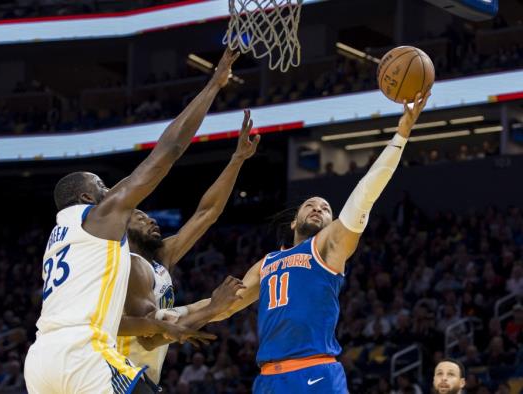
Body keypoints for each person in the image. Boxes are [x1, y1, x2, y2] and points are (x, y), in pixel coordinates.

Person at [24, 49, 240, 394]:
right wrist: (213, 85)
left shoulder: (59, 239)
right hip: (82, 354)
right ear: (85, 198)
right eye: (102, 188)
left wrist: (162, 327)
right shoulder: (98, 217)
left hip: (39, 361)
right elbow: (166, 152)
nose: (110, 192)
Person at [211, 92, 431, 393]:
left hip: (315, 372)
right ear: (293, 221)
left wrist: (401, 135)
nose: (317, 208)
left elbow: (364, 193)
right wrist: (176, 316)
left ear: (331, 224)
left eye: (326, 208)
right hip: (268, 379)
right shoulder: (267, 262)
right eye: (310, 205)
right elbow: (224, 307)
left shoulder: (328, 247)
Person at [117, 109, 259, 383]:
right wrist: (212, 308)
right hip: (119, 377)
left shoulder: (159, 259)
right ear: (123, 230)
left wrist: (237, 159)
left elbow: (207, 213)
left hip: (140, 377)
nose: (152, 220)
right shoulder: (132, 265)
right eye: (141, 217)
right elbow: (148, 337)